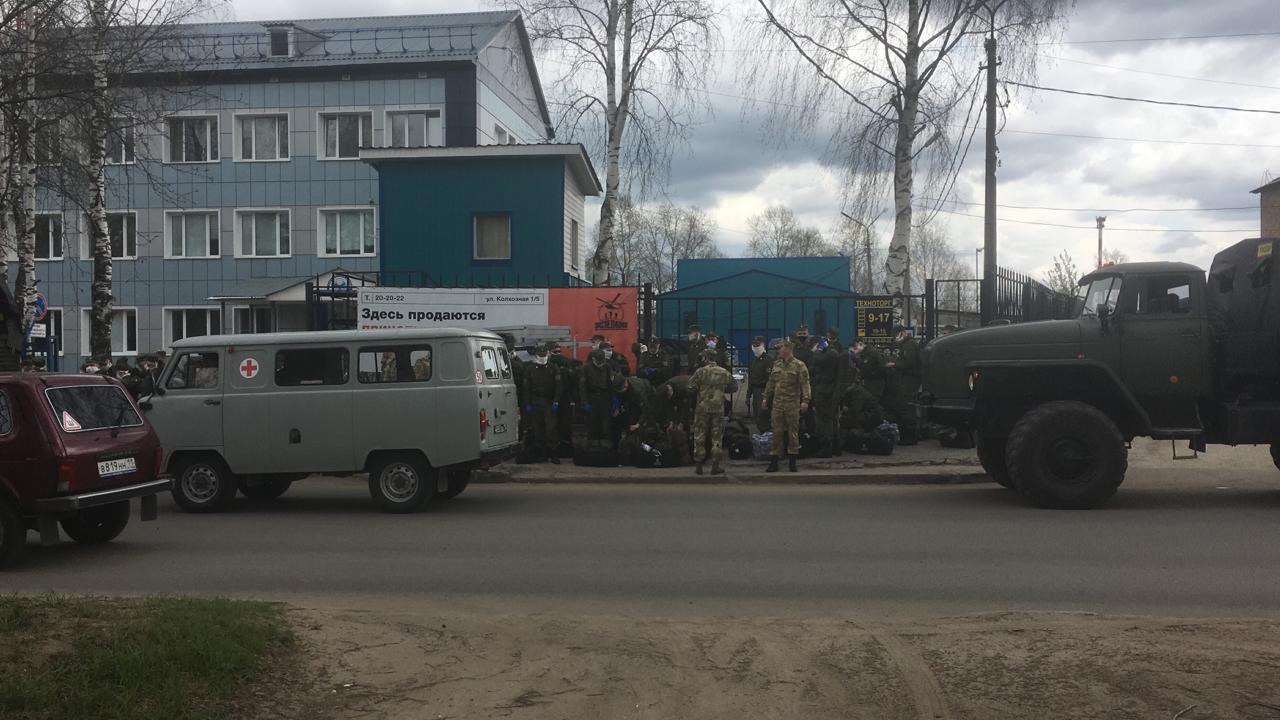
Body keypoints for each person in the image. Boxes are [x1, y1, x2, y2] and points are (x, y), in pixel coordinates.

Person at [764, 340, 811, 473]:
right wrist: (765, 398)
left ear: (788, 349)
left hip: (792, 404)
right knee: (776, 432)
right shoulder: (777, 364)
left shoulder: (799, 365)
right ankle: (774, 461)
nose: (778, 351)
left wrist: (805, 400)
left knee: (792, 433)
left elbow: (805, 384)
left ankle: (792, 462)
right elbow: (771, 383)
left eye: (780, 348)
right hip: (778, 404)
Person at [688, 350, 737, 475]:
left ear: (705, 358)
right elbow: (734, 387)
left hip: (702, 407)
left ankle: (699, 464)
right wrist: (720, 390)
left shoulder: (700, 372)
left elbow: (690, 387)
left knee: (700, 435)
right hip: (718, 408)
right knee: (716, 436)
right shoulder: (723, 372)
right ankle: (715, 465)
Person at [522, 344, 563, 463]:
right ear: (536, 356)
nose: (542, 357)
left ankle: (553, 454)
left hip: (549, 402)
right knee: (538, 429)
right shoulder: (530, 369)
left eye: (544, 355)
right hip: (535, 402)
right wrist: (528, 403)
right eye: (540, 355)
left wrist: (556, 401)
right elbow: (526, 388)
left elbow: (559, 387)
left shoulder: (553, 368)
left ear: (548, 354)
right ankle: (542, 454)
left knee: (551, 429)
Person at [808, 333, 841, 457]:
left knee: (823, 421)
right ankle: (836, 447)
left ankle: (826, 448)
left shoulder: (829, 354)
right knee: (832, 419)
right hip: (829, 390)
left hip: (825, 391)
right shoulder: (832, 353)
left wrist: (818, 350)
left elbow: (818, 361)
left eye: (813, 346)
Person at [888, 326, 922, 445]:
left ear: (902, 333)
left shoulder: (910, 344)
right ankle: (905, 435)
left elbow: (909, 362)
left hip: (909, 380)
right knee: (902, 407)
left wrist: (894, 364)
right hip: (902, 379)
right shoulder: (900, 345)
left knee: (907, 408)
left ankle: (910, 437)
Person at [579, 349, 617, 448]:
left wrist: (613, 397)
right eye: (598, 361)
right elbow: (582, 387)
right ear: (593, 359)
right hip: (592, 397)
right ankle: (592, 447)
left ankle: (606, 447)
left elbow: (610, 383)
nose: (600, 363)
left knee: (606, 424)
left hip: (605, 398)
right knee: (592, 424)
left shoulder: (607, 366)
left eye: (602, 361)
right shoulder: (585, 368)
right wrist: (585, 402)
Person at [547, 341, 577, 450]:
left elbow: (573, 382)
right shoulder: (547, 365)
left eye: (559, 351)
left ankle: (564, 445)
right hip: (553, 398)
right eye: (555, 351)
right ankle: (557, 445)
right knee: (555, 424)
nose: (558, 353)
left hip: (563, 398)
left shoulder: (565, 363)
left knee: (563, 424)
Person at [746, 336, 772, 429]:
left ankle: (766, 435)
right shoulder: (754, 361)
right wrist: (748, 395)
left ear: (763, 345)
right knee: (757, 415)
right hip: (755, 390)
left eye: (758, 345)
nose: (756, 347)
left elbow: (770, 379)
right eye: (754, 345)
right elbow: (751, 379)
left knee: (763, 415)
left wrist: (767, 395)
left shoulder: (768, 360)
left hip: (763, 390)